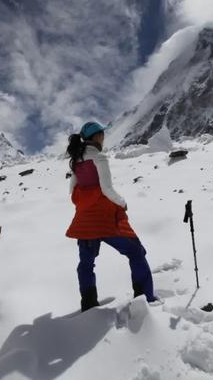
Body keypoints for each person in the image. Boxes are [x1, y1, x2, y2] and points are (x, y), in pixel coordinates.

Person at [65, 121, 160, 312]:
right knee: (136, 252)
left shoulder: (76, 159)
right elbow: (106, 189)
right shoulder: (99, 157)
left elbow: (72, 189)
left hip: (84, 221)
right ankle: (145, 297)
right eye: (102, 134)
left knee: (86, 264)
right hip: (107, 218)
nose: (103, 137)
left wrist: (85, 203)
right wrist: (123, 202)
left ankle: (89, 305)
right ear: (97, 136)